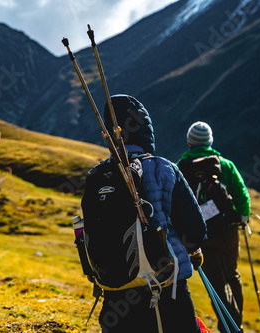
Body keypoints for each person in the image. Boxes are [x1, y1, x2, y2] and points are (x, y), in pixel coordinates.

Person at [82, 95, 207, 333]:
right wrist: (192, 250)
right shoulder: (164, 167)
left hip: (114, 287)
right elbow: (196, 231)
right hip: (165, 286)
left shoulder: (97, 176)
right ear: (145, 129)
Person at [177, 121, 251, 332]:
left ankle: (228, 326)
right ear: (210, 141)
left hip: (201, 236)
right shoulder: (225, 165)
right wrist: (243, 217)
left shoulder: (180, 168)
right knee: (232, 275)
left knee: (216, 284)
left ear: (190, 141)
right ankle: (236, 325)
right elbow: (241, 193)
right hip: (227, 231)